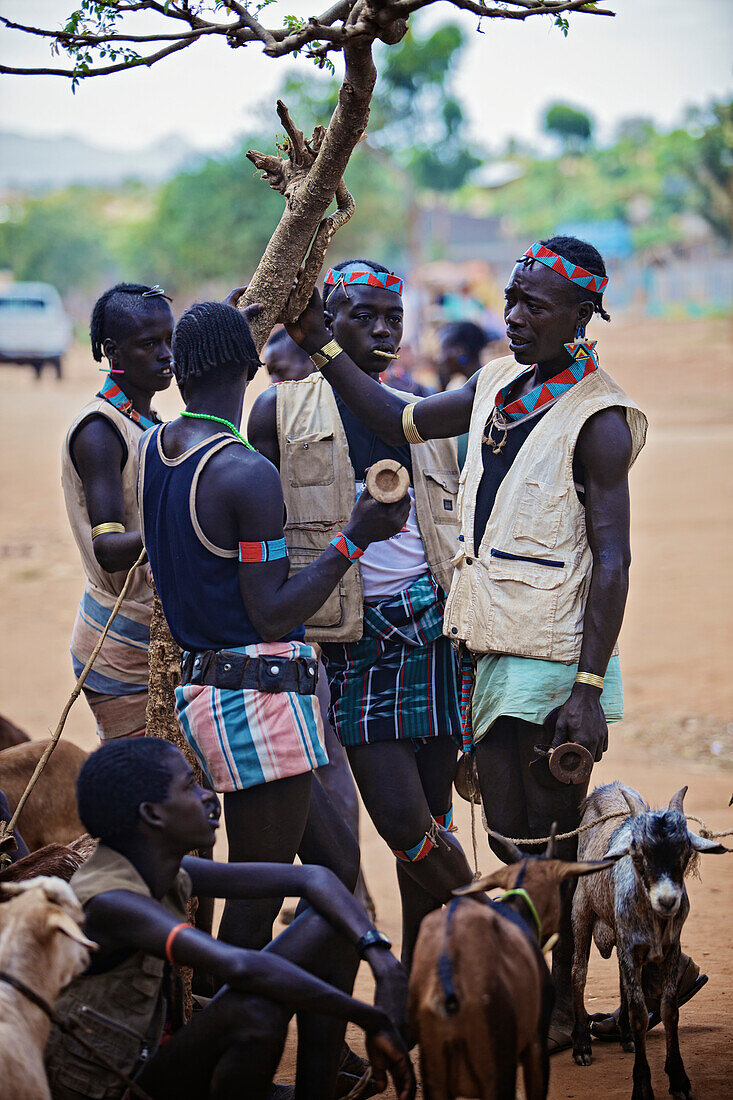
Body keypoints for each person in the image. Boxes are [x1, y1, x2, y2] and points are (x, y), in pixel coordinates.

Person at [282, 238, 705, 1051]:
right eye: (510, 297)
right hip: (487, 642)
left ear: (582, 317)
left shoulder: (601, 421)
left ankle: (556, 1009)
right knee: (515, 835)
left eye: (534, 306)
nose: (512, 316)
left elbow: (612, 561)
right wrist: (324, 346)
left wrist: (585, 687)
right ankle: (598, 984)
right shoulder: (496, 384)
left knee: (537, 837)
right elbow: (394, 418)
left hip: (551, 658)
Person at [138, 300, 408, 953]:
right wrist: (355, 537)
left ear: (178, 367)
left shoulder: (157, 446)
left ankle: (324, 1056)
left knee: (336, 871)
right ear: (251, 364)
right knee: (256, 902)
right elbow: (274, 612)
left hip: (215, 691)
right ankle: (223, 1040)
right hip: (251, 698)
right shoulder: (243, 473)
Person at [249, 260, 474, 969]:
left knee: (432, 822)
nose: (380, 331)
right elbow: (261, 535)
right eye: (361, 316)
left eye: (391, 319)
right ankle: (505, 926)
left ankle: (422, 977)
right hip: (350, 638)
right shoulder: (279, 412)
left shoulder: (420, 408)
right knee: (404, 828)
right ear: (325, 321)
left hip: (431, 628)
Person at [44, 737, 415, 1100]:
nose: (209, 798)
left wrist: (382, 959)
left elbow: (315, 877)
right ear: (152, 813)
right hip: (112, 1084)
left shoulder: (157, 867)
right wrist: (370, 1017)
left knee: (330, 922)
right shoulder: (113, 900)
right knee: (254, 1012)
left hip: (149, 1059)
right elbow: (241, 967)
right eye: (190, 788)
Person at [61, 283, 175, 740]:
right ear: (113, 352)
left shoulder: (144, 421)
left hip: (142, 633)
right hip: (119, 638)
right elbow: (109, 549)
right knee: (148, 791)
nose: (167, 354)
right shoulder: (100, 430)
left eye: (171, 340)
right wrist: (180, 528)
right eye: (150, 344)